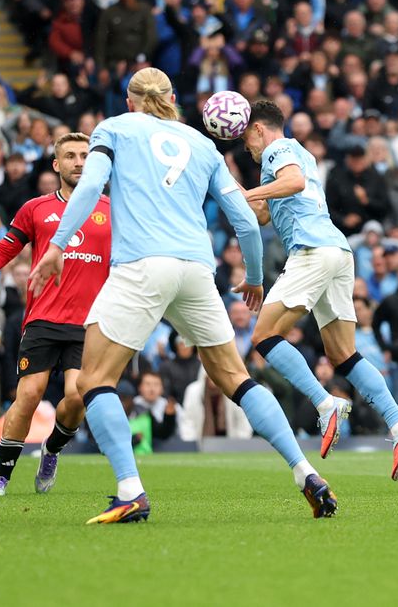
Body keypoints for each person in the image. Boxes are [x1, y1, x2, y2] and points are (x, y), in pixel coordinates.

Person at [29, 68, 336, 524]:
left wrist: (57, 245)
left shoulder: (114, 127)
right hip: (196, 268)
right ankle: (305, 472)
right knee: (236, 377)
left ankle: (130, 490)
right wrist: (253, 276)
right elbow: (246, 221)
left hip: (141, 266)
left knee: (93, 381)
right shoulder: (204, 144)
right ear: (173, 98)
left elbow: (91, 186)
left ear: (130, 101)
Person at [240, 100, 398, 481]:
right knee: (343, 353)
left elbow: (292, 184)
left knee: (263, 335)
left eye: (247, 142)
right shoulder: (300, 154)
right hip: (338, 252)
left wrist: (245, 194)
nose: (250, 150)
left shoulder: (277, 150)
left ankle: (325, 403)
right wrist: (233, 194)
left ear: (259, 129)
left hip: (312, 251)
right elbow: (266, 210)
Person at [0, 132, 111, 496]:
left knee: (76, 397)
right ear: (56, 165)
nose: (79, 162)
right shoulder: (36, 208)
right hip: (43, 318)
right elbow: (7, 248)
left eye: (86, 155)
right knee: (29, 395)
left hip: (89, 323)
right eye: (70, 156)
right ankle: (1, 475)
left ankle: (51, 449)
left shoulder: (111, 209)